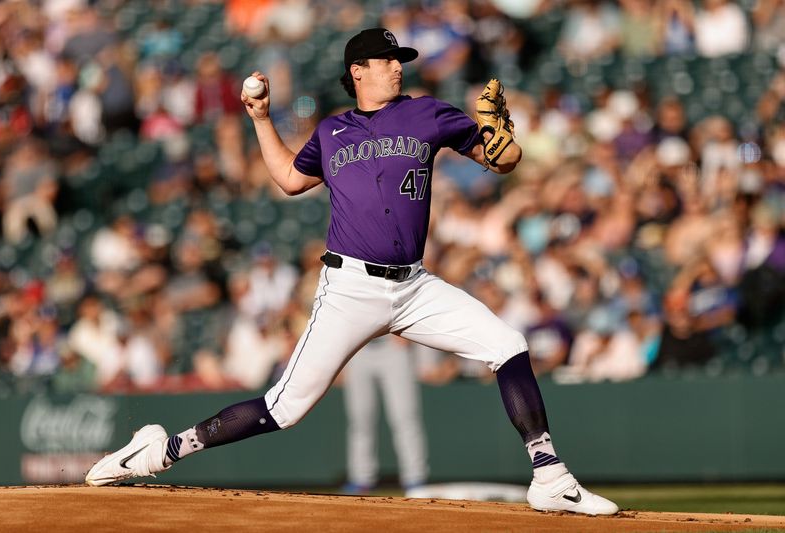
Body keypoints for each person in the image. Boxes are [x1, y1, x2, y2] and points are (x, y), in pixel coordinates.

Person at [86, 28, 618, 516]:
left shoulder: (428, 113)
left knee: (507, 343)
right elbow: (291, 182)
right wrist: (261, 119)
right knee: (284, 408)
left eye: (400, 60)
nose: (399, 67)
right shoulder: (333, 130)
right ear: (359, 70)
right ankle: (160, 450)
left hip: (413, 285)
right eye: (389, 60)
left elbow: (504, 160)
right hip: (349, 288)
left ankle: (550, 477)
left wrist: (502, 136)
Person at [342, 335, 428, 495]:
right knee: (360, 419)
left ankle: (415, 477)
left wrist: (408, 332)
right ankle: (361, 478)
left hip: (392, 345)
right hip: (359, 346)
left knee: (404, 417)